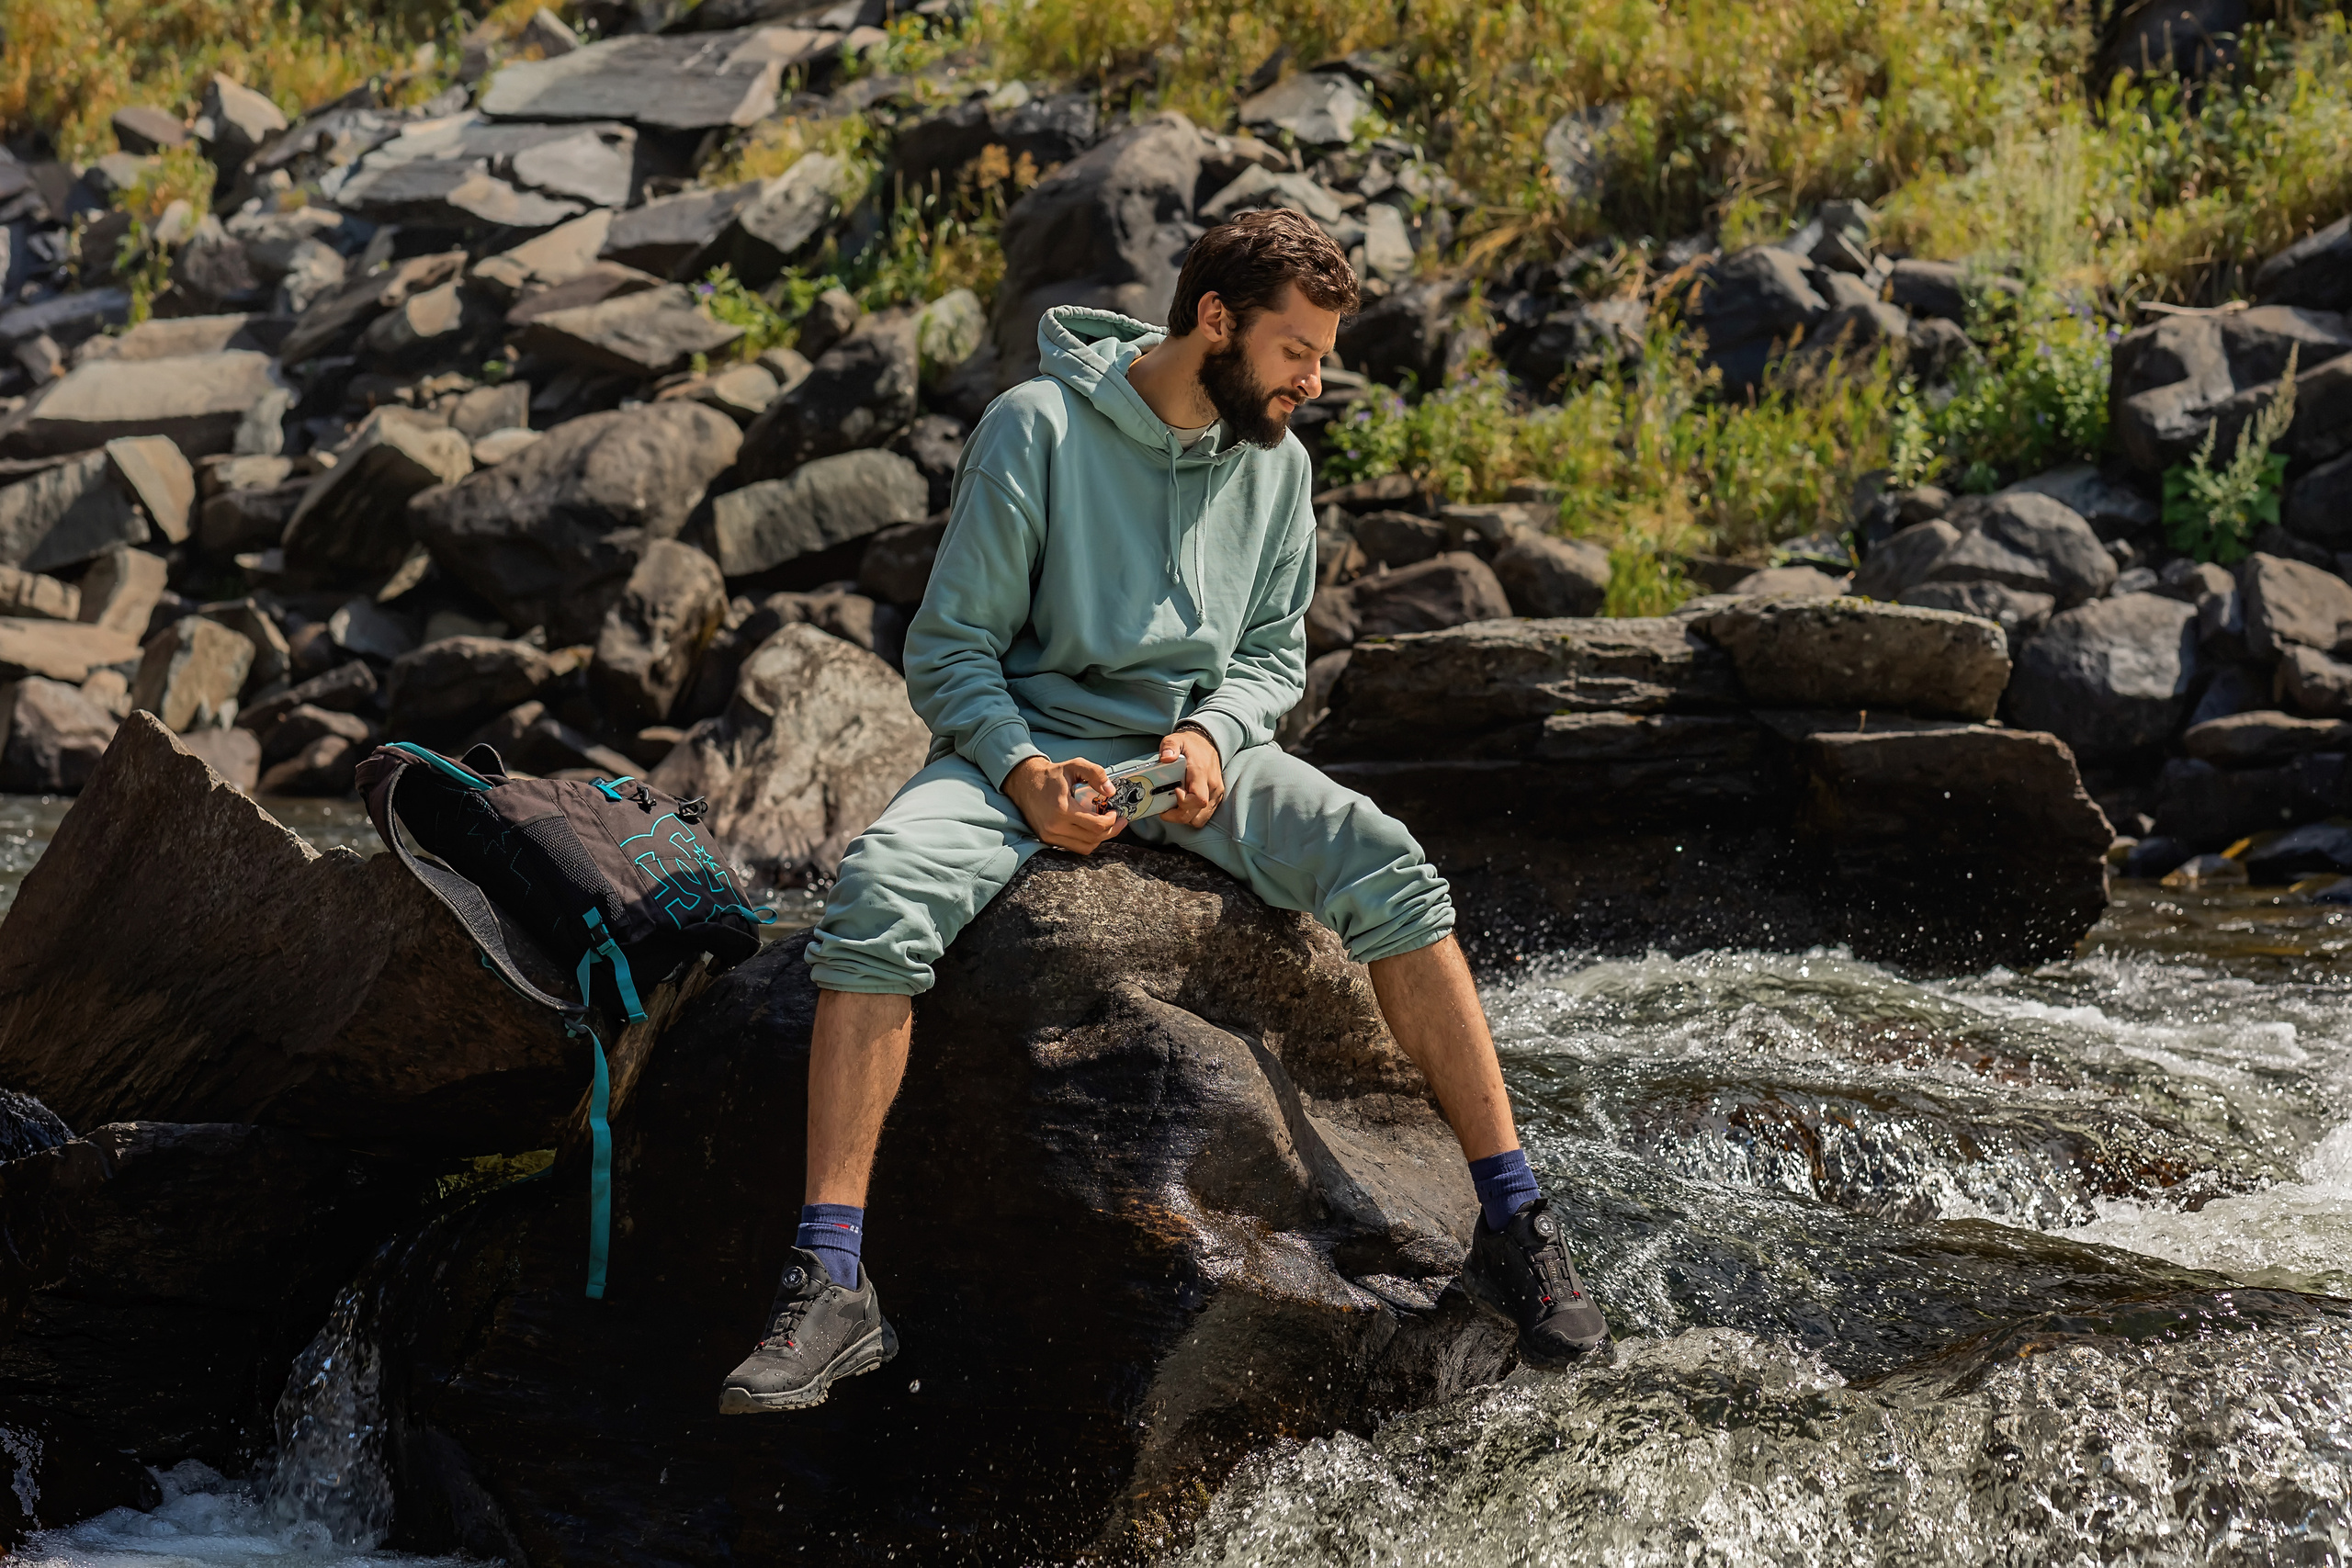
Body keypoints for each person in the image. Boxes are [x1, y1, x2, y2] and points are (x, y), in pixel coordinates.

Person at [718, 209, 1607, 1414]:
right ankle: (831, 1281)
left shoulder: (1279, 466)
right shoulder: (1035, 429)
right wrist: (1024, 770)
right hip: (1019, 753)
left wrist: (1210, 736)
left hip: (1192, 762)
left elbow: (1270, 660)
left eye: (1324, 353)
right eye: (1297, 350)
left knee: (1390, 868)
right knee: (880, 895)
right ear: (1214, 320)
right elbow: (952, 650)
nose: (1315, 378)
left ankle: (1514, 1221)